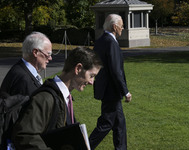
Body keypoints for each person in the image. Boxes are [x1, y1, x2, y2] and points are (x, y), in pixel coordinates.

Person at [11, 47, 102, 150]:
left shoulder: (65, 97)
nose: (91, 82)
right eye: (91, 75)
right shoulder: (45, 98)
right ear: (78, 69)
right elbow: (25, 136)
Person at [89, 14, 132, 150]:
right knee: (106, 124)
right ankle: (84, 146)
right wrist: (125, 91)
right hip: (111, 91)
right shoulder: (111, 42)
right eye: (121, 25)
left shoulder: (100, 41)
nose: (122, 28)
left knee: (120, 124)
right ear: (114, 27)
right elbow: (115, 70)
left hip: (105, 89)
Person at [1, 31, 52, 96]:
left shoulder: (22, 70)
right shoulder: (23, 79)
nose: (50, 58)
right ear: (35, 52)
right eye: (48, 54)